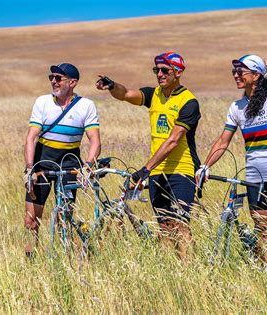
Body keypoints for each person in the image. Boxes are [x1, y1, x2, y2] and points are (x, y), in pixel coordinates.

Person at [197, 54, 267, 268]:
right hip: (254, 174)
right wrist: (205, 166)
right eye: (233, 72)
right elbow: (223, 142)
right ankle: (264, 273)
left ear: (255, 75)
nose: (235, 76)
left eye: (240, 72)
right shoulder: (236, 107)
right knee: (261, 229)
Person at [95, 52, 201, 259]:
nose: (159, 74)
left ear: (178, 72)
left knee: (180, 224)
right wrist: (111, 85)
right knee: (164, 226)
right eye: (156, 70)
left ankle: (190, 269)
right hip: (157, 172)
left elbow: (173, 140)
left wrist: (145, 169)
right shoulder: (155, 95)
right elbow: (126, 94)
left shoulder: (189, 102)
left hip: (182, 170)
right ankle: (170, 270)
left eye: (164, 70)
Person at [23, 63, 101, 256]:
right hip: (42, 160)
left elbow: (95, 142)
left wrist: (88, 166)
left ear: (72, 82)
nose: (54, 81)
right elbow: (31, 138)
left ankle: (65, 257)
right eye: (52, 77)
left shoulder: (86, 106)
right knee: (31, 220)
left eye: (59, 78)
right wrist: (29, 169)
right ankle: (31, 260)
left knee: (64, 218)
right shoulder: (42, 102)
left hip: (70, 162)